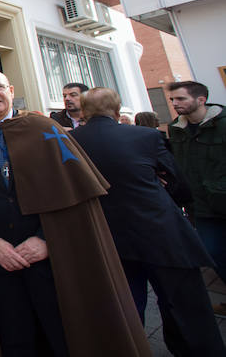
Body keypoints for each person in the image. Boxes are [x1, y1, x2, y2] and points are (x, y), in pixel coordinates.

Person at [0, 70, 149, 357]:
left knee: (61, 332)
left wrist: (45, 240)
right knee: (12, 336)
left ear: (11, 90)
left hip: (50, 257)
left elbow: (74, 197)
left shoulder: (43, 128)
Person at [70, 88, 224, 356]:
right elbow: (178, 181)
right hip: (159, 230)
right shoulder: (146, 135)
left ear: (83, 112)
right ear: (117, 111)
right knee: (184, 304)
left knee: (125, 305)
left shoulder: (71, 141)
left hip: (108, 235)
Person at [167, 81, 226, 286]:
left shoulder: (223, 123)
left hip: (223, 197)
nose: (174, 103)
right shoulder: (176, 128)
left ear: (201, 100)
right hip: (200, 206)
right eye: (172, 99)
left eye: (180, 98)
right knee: (212, 252)